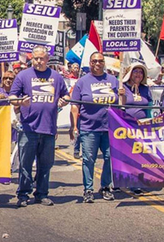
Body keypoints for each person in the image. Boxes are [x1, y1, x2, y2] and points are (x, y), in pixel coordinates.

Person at [9, 46, 70, 207]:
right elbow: (12, 97)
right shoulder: (23, 76)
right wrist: (20, 102)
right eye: (35, 58)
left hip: (48, 128)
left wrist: (64, 100)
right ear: (32, 59)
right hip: (28, 129)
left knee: (45, 165)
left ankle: (42, 194)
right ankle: (23, 194)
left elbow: (66, 95)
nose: (38, 61)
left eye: (41, 58)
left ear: (47, 59)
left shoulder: (56, 77)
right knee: (25, 165)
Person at [70, 52, 122, 203]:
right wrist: (74, 126)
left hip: (110, 128)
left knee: (109, 158)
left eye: (100, 61)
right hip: (89, 128)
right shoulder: (82, 82)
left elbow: (121, 103)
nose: (97, 63)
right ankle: (88, 189)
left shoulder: (113, 80)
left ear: (104, 62)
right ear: (90, 63)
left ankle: (105, 186)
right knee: (89, 159)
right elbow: (75, 106)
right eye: (94, 61)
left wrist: (123, 94)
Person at [120, 62, 152, 195]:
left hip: (142, 126)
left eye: (140, 71)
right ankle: (124, 182)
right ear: (129, 73)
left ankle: (136, 182)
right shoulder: (123, 87)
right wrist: (120, 95)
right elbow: (118, 107)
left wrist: (151, 123)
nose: (138, 74)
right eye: (135, 71)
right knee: (127, 155)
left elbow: (149, 108)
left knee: (140, 156)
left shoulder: (146, 89)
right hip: (126, 126)